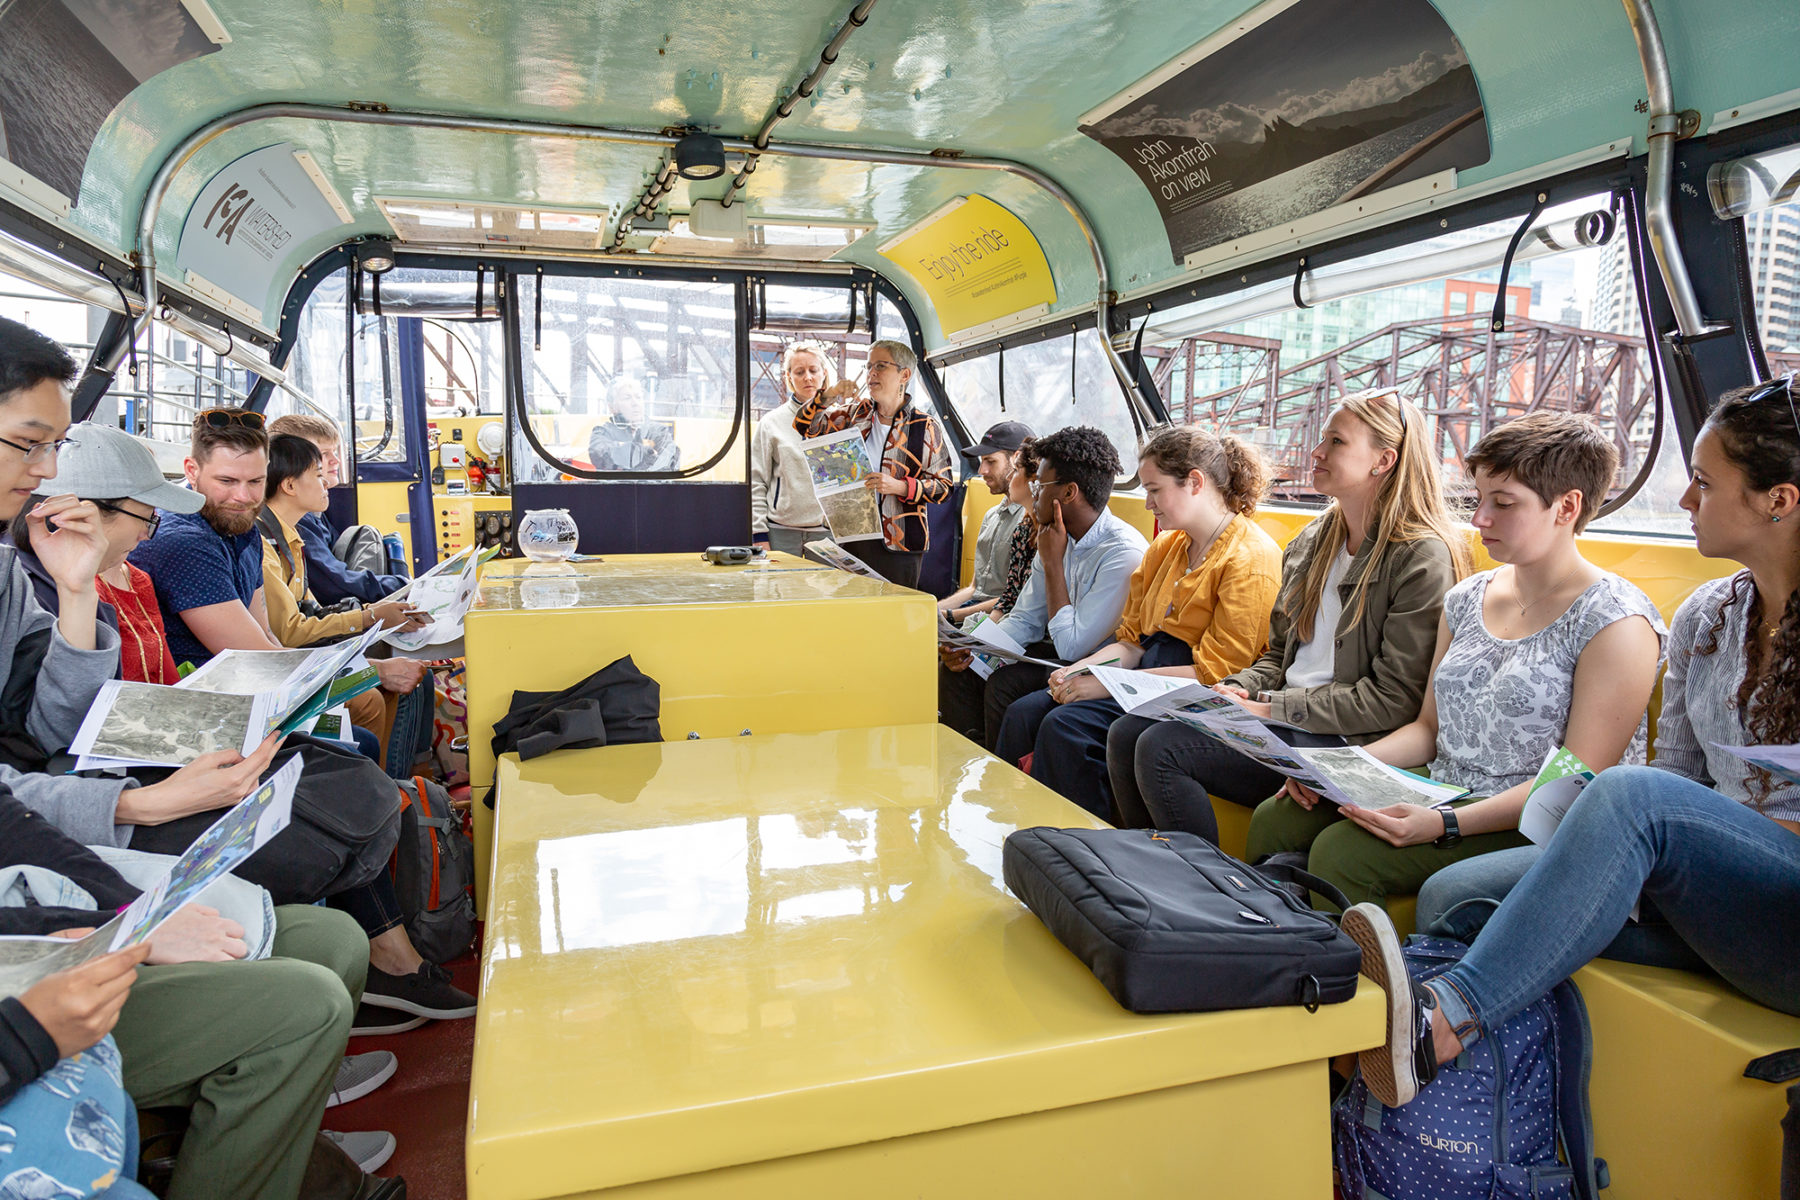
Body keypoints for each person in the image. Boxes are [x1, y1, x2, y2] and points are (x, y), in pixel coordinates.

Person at [0, 317, 401, 1198]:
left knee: (330, 923)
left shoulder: (29, 579)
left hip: (69, 832)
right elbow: (55, 756)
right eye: (29, 447)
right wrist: (136, 824)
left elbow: (57, 718)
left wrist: (74, 597)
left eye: (53, 448)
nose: (41, 473)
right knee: (327, 819)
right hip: (75, 839)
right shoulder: (182, 551)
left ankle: (271, 1123)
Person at [1346, 378, 1800, 1110]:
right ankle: (1474, 1120)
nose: (1685, 502)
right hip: (1697, 897)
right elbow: (1679, 771)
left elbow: (1641, 792)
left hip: (1785, 913)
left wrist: (1698, 841)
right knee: (1457, 898)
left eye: (1706, 484)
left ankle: (1443, 1021)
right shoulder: (1708, 616)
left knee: (1629, 795)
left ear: (1778, 500)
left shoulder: (1617, 616)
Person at [21, 414, 471, 1031]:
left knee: (351, 776)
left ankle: (376, 962)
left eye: (251, 481)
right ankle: (346, 977)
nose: (152, 530)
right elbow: (62, 735)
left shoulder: (139, 572)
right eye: (143, 517)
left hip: (157, 747)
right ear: (77, 515)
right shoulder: (59, 586)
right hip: (116, 786)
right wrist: (144, 799)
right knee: (327, 809)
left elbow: (157, 685)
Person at [1245, 412, 1665, 911]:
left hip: (1537, 816)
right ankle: (1260, 935)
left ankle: (1348, 978)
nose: (1480, 519)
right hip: (1443, 783)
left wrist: (1446, 823)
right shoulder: (1468, 598)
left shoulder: (1614, 621)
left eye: (1503, 504)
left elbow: (1577, 777)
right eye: (1480, 499)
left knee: (1345, 854)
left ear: (1567, 507)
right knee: (1279, 815)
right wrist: (1330, 769)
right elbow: (1428, 729)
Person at [1108, 391, 1469, 841]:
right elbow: (1279, 657)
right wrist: (1239, 688)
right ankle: (1147, 863)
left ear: (1383, 460)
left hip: (1346, 738)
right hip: (1283, 717)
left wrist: (1268, 706)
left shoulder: (1421, 557)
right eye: (1322, 438)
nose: (1317, 452)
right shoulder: (1315, 540)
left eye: (1336, 442)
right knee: (1127, 730)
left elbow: (1394, 700)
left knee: (1163, 748)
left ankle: (1199, 882)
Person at [996, 427, 1282, 819]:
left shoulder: (1250, 559)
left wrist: (1110, 685)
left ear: (1194, 483)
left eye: (1154, 490)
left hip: (1195, 688)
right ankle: (1021, 817)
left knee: (1067, 728)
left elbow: (1219, 671)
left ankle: (1084, 839)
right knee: (1030, 711)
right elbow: (1132, 642)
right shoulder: (1167, 547)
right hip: (1146, 671)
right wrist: (1079, 671)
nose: (1147, 503)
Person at [128, 410, 428, 757]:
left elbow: (267, 635)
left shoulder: (242, 529)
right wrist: (372, 670)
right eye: (227, 481)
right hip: (212, 704)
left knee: (376, 707)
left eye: (255, 482)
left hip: (248, 685)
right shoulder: (186, 543)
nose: (243, 497)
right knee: (365, 725)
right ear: (192, 471)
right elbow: (258, 658)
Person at [938, 426, 1145, 751]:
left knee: (1005, 686)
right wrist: (972, 647)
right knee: (958, 672)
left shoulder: (1121, 553)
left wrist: (1051, 565)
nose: (1034, 493)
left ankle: (1002, 782)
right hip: (1057, 649)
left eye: (1042, 484)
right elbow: (1025, 619)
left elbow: (1072, 647)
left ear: (1069, 492)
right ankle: (961, 761)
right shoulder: (1054, 534)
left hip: (1096, 663)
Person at [792, 339, 953, 587]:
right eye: (868, 367)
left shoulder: (925, 426)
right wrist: (830, 394)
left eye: (880, 366)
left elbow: (943, 487)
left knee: (894, 618)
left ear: (904, 374)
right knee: (853, 617)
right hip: (852, 539)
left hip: (901, 546)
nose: (871, 374)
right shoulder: (854, 414)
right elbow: (804, 425)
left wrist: (900, 487)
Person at [265, 413, 407, 607]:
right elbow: (335, 584)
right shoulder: (296, 520)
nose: (335, 461)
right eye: (323, 455)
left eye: (335, 452)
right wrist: (404, 585)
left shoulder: (313, 514)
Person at [938, 420, 1034, 623]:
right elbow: (975, 589)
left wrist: (949, 617)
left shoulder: (1031, 522)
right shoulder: (991, 516)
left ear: (1017, 461)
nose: (982, 470)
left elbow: (1015, 599)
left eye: (991, 461)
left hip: (1003, 618)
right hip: (971, 611)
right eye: (982, 461)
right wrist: (932, 610)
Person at [751, 342, 835, 557]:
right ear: (788, 378)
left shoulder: (839, 420)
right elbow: (756, 480)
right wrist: (759, 534)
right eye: (799, 372)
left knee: (824, 591)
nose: (808, 377)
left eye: (813, 370)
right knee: (781, 591)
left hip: (827, 534)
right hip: (780, 533)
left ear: (823, 374)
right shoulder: (771, 423)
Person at [586, 378, 678, 472]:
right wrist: (643, 451)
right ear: (612, 407)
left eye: (638, 397)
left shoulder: (658, 431)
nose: (635, 403)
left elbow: (670, 463)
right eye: (627, 398)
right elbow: (600, 454)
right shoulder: (602, 432)